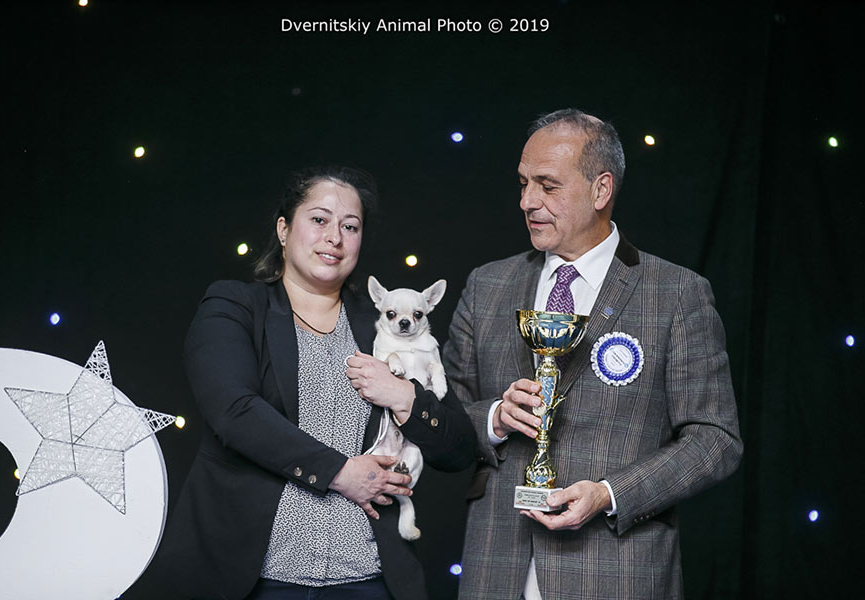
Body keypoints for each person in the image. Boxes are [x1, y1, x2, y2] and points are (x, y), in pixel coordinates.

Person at [443, 109, 743, 599]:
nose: (527, 201)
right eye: (523, 183)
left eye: (547, 185)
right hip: (496, 569)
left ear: (601, 190)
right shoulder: (486, 286)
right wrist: (495, 418)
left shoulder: (676, 293)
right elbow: (445, 418)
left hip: (616, 574)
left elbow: (715, 440)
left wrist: (610, 493)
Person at [157, 166, 476, 600]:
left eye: (350, 226)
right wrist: (341, 472)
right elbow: (234, 412)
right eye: (319, 219)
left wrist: (404, 396)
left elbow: (459, 448)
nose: (334, 238)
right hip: (257, 579)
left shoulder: (384, 324)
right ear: (284, 229)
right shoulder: (234, 306)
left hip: (368, 579)